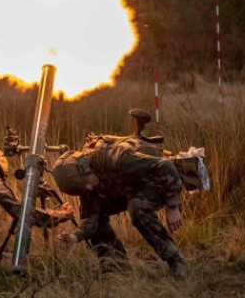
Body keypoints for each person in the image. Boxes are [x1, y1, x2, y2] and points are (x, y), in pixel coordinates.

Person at [52, 110, 189, 277]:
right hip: (128, 187)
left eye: (87, 183)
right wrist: (74, 238)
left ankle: (176, 261)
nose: (88, 189)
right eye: (83, 188)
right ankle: (116, 267)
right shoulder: (84, 182)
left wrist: (173, 205)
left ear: (87, 168)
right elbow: (90, 220)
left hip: (156, 179)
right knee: (98, 212)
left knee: (137, 208)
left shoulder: (116, 159)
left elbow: (165, 166)